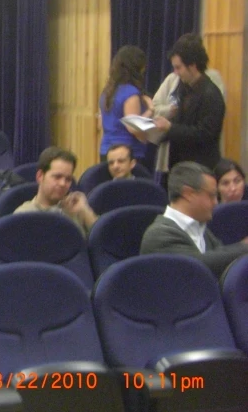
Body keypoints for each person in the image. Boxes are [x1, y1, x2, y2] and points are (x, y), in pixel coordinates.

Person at [140, 162, 248, 278]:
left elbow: (223, 256)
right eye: (211, 195)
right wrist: (244, 247)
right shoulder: (158, 235)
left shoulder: (199, 227)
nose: (215, 202)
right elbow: (198, 266)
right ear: (188, 194)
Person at [153, 34, 225, 170]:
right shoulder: (184, 88)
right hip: (180, 165)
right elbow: (181, 124)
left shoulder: (211, 94)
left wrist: (170, 127)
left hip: (200, 167)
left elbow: (205, 134)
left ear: (192, 65)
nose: (175, 72)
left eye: (178, 67)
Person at [15, 146, 98, 236]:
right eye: (57, 177)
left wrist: (85, 210)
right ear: (40, 176)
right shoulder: (24, 214)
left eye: (68, 179)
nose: (63, 183)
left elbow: (102, 241)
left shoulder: (76, 208)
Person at [99, 45, 153, 163]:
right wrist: (150, 110)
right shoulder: (130, 93)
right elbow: (133, 127)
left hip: (107, 151)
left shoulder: (107, 92)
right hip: (127, 154)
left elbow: (101, 124)